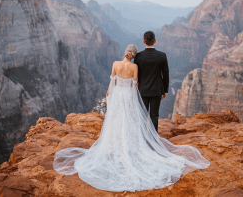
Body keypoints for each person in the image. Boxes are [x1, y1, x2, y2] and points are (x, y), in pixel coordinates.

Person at [53, 42, 210, 192]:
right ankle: (130, 144)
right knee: (129, 121)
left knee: (115, 121)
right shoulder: (134, 67)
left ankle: (115, 145)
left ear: (125, 52)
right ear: (134, 55)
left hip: (116, 96)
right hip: (128, 97)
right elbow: (135, 86)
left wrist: (108, 97)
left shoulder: (115, 64)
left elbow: (111, 84)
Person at [134, 31, 168, 132]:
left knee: (143, 115)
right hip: (157, 90)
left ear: (144, 41)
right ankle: (154, 141)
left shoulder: (138, 56)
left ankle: (143, 138)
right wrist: (165, 90)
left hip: (143, 91)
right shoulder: (162, 56)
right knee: (154, 115)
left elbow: (136, 75)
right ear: (155, 41)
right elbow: (165, 75)